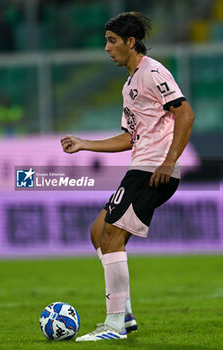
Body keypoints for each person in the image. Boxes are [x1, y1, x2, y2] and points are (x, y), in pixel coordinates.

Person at [61, 11, 195, 342]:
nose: (107, 49)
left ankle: (115, 324)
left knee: (112, 238)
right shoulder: (130, 85)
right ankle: (126, 315)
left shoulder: (153, 72)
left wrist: (170, 160)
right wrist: (84, 144)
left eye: (112, 41)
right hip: (139, 167)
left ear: (130, 42)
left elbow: (186, 113)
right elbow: (128, 138)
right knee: (98, 232)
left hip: (153, 171)